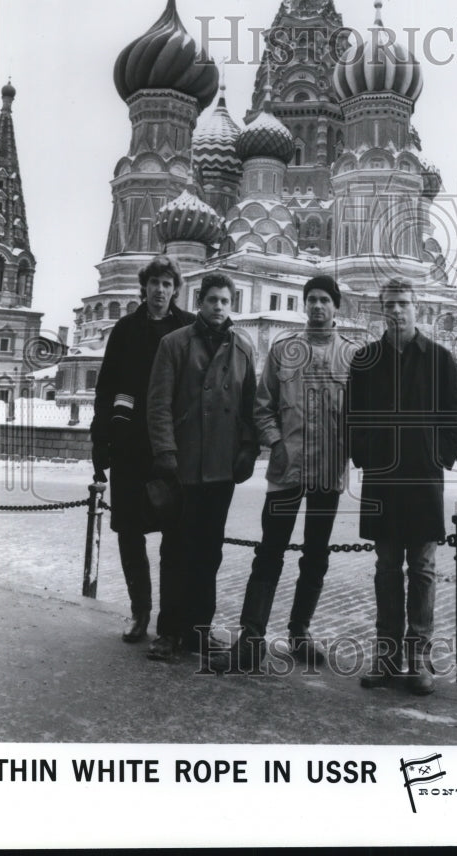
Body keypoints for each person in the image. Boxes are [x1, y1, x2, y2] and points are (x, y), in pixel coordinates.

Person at [222, 275, 357, 673]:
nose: (317, 307)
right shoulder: (285, 349)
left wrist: (350, 448)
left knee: (316, 555)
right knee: (270, 551)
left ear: (336, 307)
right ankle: (251, 636)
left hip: (328, 473)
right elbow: (263, 405)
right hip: (286, 470)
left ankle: (300, 633)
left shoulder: (351, 356)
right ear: (304, 305)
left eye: (325, 301)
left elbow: (360, 415)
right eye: (311, 300)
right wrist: (276, 443)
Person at [346, 278, 457, 695]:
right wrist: (365, 454)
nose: (397, 311)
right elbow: (353, 416)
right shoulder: (366, 360)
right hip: (382, 480)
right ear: (382, 310)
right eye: (390, 305)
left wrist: (439, 456)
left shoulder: (439, 359)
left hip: (422, 481)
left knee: (422, 569)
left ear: (418, 308)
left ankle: (417, 660)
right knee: (385, 570)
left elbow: (456, 415)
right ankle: (386, 657)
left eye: (404, 304)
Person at [146, 272, 258, 662]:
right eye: (212, 300)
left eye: (225, 301)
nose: (218, 307)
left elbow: (249, 407)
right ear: (200, 302)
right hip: (183, 464)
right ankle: (167, 632)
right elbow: (158, 403)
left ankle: (197, 630)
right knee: (176, 549)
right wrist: (165, 451)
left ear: (233, 305)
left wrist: (248, 449)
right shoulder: (174, 344)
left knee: (209, 551)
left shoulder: (242, 347)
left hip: (220, 468)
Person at [90, 256, 195, 643]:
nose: (160, 290)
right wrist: (100, 440)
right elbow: (107, 386)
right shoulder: (126, 329)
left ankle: (170, 618)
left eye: (167, 284)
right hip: (131, 445)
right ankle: (140, 611)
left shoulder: (187, 328)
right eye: (154, 283)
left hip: (172, 447)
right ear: (144, 287)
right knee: (130, 531)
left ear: (175, 289)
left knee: (175, 535)